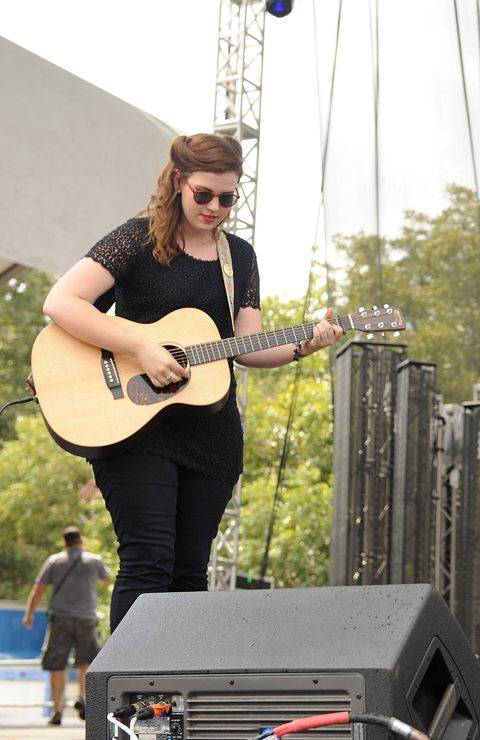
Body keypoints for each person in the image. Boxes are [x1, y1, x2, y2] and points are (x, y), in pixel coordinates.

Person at [42, 134, 344, 632]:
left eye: (227, 198)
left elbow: (246, 347)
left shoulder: (238, 258)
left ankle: (174, 703)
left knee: (188, 576)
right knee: (148, 562)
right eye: (204, 194)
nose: (215, 207)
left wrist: (306, 343)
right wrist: (141, 347)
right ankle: (132, 703)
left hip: (210, 434)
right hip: (136, 425)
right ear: (178, 182)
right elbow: (61, 302)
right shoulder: (137, 238)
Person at [23, 526, 110, 725]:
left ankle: (56, 710)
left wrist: (29, 614)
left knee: (56, 664)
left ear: (66, 542)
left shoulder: (54, 561)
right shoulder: (94, 560)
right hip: (86, 618)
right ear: (81, 540)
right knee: (87, 660)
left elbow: (39, 588)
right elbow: (106, 580)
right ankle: (83, 699)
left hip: (60, 618)